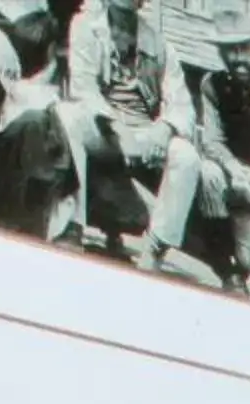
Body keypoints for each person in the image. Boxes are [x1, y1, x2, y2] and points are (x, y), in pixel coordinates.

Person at [58, 0, 205, 274]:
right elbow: (84, 89)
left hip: (145, 133)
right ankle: (72, 227)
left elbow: (182, 104)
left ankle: (156, 245)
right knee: (68, 117)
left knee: (186, 157)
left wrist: (162, 132)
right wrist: (117, 129)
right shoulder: (85, 27)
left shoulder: (158, 43)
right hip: (105, 131)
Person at [193, 22, 250, 288]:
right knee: (208, 173)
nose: (236, 58)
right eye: (229, 50)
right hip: (232, 178)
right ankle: (227, 267)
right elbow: (213, 141)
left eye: (243, 49)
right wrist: (235, 170)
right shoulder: (212, 85)